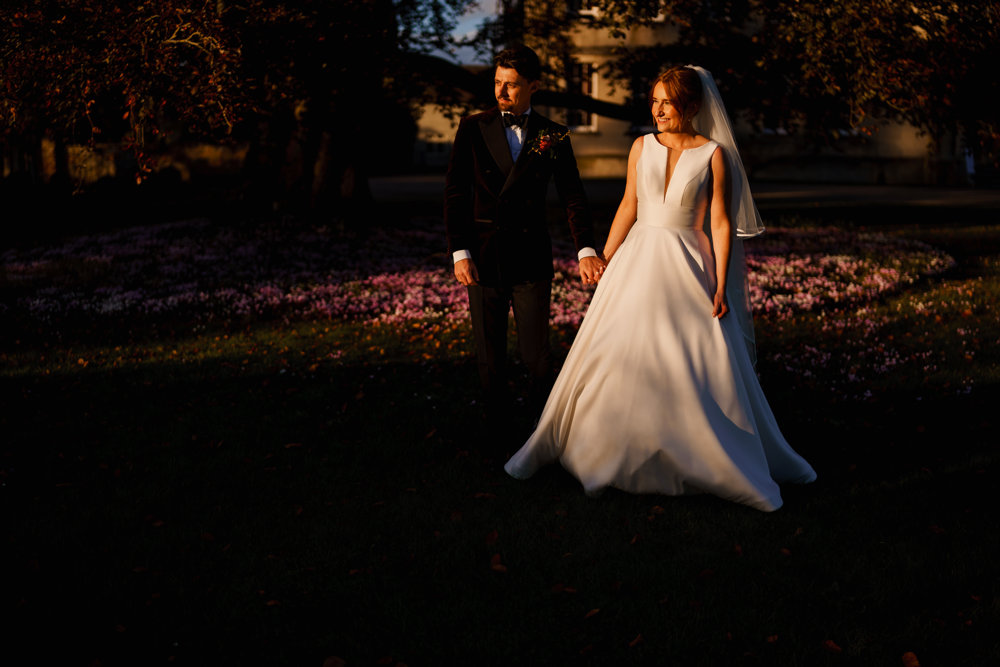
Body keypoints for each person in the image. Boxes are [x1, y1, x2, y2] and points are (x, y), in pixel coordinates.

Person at [504, 66, 816, 511]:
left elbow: (720, 222)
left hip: (689, 264)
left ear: (692, 106)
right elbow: (628, 205)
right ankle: (605, 449)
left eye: (667, 102)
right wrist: (604, 258)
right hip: (637, 259)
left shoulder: (714, 154)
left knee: (694, 358)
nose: (658, 109)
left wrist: (720, 283)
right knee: (616, 352)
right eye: (654, 100)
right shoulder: (640, 146)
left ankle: (702, 454)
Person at [444, 45, 605, 434]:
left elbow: (572, 195)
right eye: (497, 82)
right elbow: (455, 193)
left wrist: (585, 249)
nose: (501, 92)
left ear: (534, 86)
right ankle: (497, 432)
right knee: (490, 355)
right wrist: (460, 252)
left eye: (512, 85)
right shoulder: (472, 128)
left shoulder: (552, 134)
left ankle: (541, 432)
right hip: (483, 257)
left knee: (537, 357)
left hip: (531, 256)